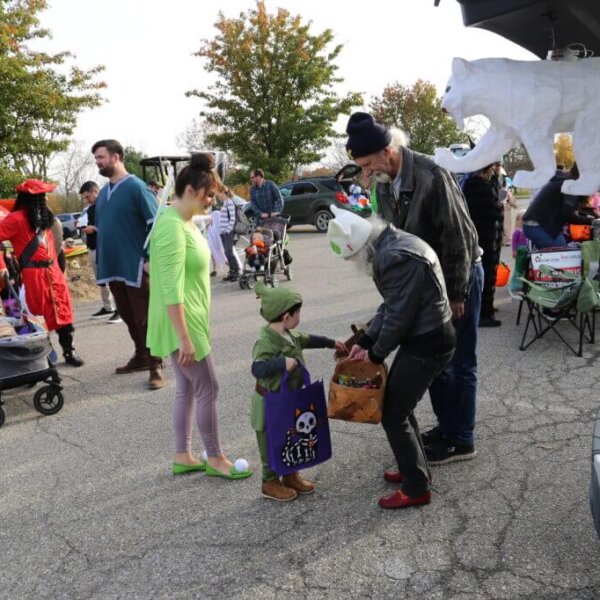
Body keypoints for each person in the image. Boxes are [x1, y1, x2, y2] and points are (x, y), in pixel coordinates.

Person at [345, 112, 481, 465]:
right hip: (425, 279)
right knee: (433, 362)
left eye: (367, 165)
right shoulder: (383, 183)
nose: (365, 173)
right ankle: (447, 428)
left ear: (387, 150)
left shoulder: (431, 174)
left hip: (457, 275)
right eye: (361, 167)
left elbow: (460, 237)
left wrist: (457, 293)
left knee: (458, 361)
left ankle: (461, 438)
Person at [327, 207, 455, 509]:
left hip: (428, 340)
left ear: (359, 247)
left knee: (393, 414)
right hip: (427, 335)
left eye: (350, 257)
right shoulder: (391, 242)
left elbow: (399, 316)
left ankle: (416, 487)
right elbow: (391, 305)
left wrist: (375, 354)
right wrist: (366, 340)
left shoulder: (391, 257)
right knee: (399, 406)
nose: (350, 263)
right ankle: (415, 469)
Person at [147, 153, 252, 480]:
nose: (211, 201)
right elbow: (170, 287)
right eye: (208, 195)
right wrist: (184, 338)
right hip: (183, 323)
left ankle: (183, 455)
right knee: (209, 387)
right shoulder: (171, 227)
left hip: (189, 319)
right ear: (190, 190)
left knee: (187, 387)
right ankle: (216, 458)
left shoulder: (186, 222)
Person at [251, 282, 345, 502]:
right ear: (286, 316)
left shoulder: (289, 334)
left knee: (290, 438)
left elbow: (308, 339)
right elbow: (257, 368)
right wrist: (281, 362)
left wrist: (332, 343)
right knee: (271, 444)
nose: (299, 317)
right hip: (268, 404)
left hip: (287, 401)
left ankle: (290, 475)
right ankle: (269, 482)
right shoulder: (265, 341)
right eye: (298, 313)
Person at [92, 139, 163, 390]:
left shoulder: (137, 187)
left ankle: (155, 363)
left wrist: (150, 258)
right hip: (113, 267)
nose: (98, 162)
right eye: (96, 158)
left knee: (145, 317)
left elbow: (157, 226)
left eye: (101, 157)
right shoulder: (103, 193)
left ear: (116, 157)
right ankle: (141, 355)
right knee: (128, 315)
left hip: (136, 265)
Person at [0, 179, 84, 366]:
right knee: (36, 318)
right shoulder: (15, 219)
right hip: (33, 277)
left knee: (64, 314)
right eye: (42, 195)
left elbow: (55, 248)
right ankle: (42, 358)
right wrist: (2, 264)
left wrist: (60, 270)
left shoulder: (45, 217)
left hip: (53, 273)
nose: (46, 198)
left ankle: (69, 352)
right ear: (33, 199)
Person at [463, 164, 504, 328]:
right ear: (486, 169)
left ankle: (485, 308)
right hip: (486, 236)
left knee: (483, 274)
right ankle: (484, 313)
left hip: (480, 235)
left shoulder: (470, 184)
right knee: (486, 274)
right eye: (492, 168)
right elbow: (492, 211)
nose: (494, 171)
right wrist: (501, 203)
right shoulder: (481, 187)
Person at [522, 164, 593, 249]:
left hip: (539, 225)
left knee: (563, 252)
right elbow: (568, 215)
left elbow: (571, 209)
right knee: (561, 254)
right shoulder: (570, 185)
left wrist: (594, 216)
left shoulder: (566, 180)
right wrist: (592, 221)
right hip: (539, 226)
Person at [79, 181, 120, 323]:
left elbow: (112, 226)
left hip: (105, 247)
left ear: (95, 191)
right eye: (84, 198)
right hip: (93, 246)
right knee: (101, 280)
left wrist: (95, 229)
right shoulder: (90, 209)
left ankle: (120, 310)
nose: (87, 200)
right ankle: (108, 307)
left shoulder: (107, 205)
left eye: (88, 196)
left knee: (113, 279)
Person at [217, 187, 242, 281]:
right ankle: (232, 271)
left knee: (229, 252)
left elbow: (232, 219)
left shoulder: (230, 203)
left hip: (228, 232)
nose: (218, 195)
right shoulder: (225, 203)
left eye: (219, 193)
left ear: (224, 192)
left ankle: (237, 271)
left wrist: (227, 230)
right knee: (226, 253)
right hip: (223, 232)